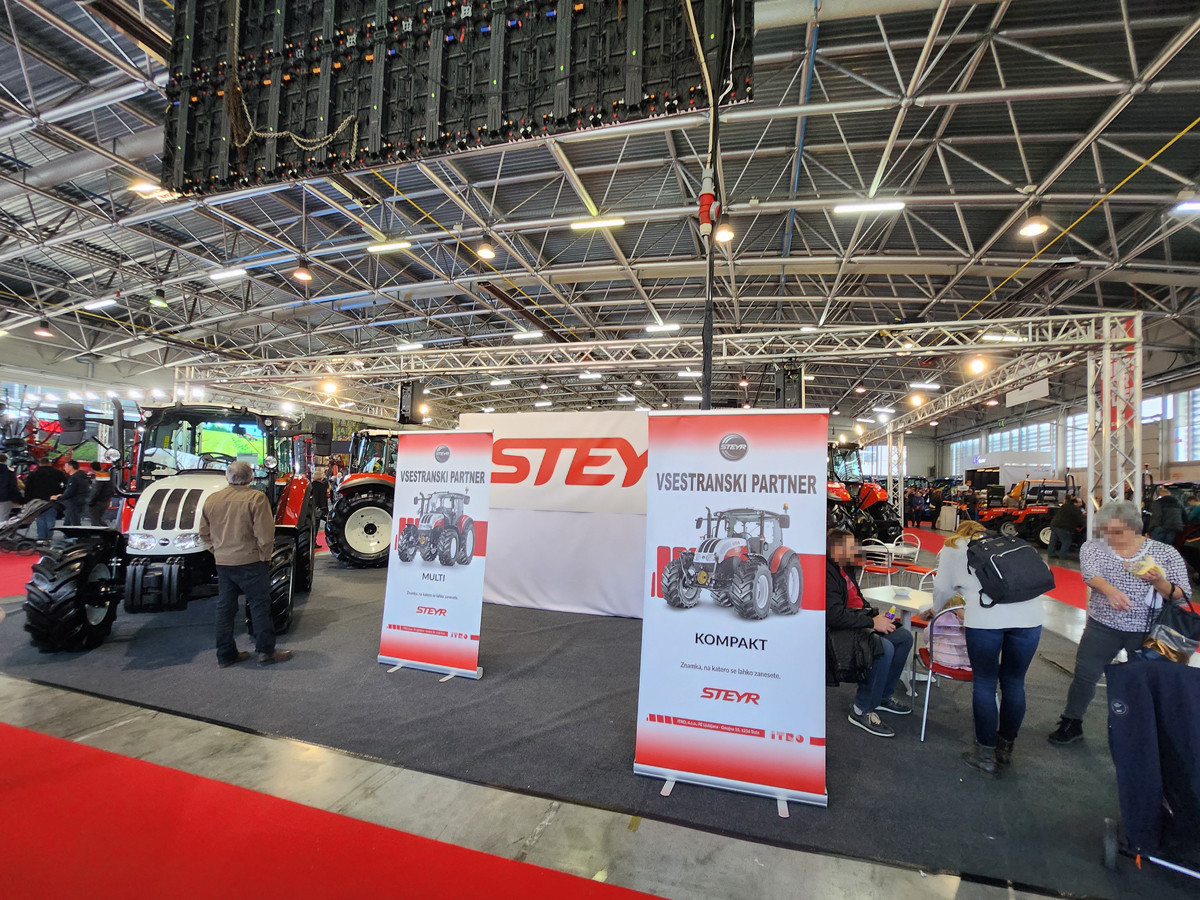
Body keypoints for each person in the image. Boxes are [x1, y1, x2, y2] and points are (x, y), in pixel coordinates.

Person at [1048, 500, 1191, 745]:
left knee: (1145, 682)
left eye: (1117, 531)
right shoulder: (1094, 547)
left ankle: (1147, 731)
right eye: (1105, 530)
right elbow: (1091, 575)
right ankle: (1072, 721)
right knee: (1085, 675)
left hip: (1148, 631)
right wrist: (1109, 590)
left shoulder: (1165, 553)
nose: (1110, 536)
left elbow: (1181, 594)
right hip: (1102, 625)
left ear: (1135, 527)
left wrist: (1159, 582)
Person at [932, 521, 1046, 776]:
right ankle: (1005, 749)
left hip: (985, 618)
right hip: (1030, 617)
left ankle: (985, 754)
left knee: (985, 683)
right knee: (1014, 683)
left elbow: (942, 588)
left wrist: (937, 609)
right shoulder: (1009, 543)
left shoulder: (953, 547)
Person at [199, 461, 292, 667]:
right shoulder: (256, 498)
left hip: (223, 562)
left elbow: (204, 533)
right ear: (251, 478)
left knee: (225, 608)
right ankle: (265, 652)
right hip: (251, 561)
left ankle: (225, 654)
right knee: (259, 606)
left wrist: (217, 551)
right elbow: (265, 534)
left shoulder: (212, 499)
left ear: (227, 477)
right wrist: (265, 556)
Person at [826, 528, 913, 738]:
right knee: (883, 647)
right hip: (838, 629)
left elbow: (857, 599)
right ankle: (861, 709)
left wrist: (874, 615)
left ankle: (883, 696)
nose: (856, 550)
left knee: (904, 637)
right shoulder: (826, 573)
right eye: (851, 547)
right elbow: (834, 616)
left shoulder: (846, 567)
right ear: (836, 549)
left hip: (857, 620)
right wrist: (872, 622)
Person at [23, 460, 66, 540]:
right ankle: (49, 537)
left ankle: (41, 537)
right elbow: (65, 485)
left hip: (37, 501)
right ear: (49, 464)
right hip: (53, 500)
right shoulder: (58, 473)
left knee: (40, 518)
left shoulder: (33, 474)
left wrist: (27, 501)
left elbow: (28, 489)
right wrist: (60, 494)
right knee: (50, 518)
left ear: (40, 464)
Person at [1047, 495, 1085, 560]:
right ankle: (1063, 555)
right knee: (1067, 541)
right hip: (1062, 526)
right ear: (1075, 502)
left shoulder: (1065, 506)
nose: (1081, 504)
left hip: (1054, 524)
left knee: (1053, 540)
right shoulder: (1075, 509)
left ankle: (1051, 553)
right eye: (1080, 502)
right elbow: (1080, 519)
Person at [54, 459, 90, 527]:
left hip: (73, 503)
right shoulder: (83, 477)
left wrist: (58, 497)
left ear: (71, 467)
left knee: (74, 522)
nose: (64, 468)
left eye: (65, 466)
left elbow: (70, 492)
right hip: (80, 501)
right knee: (69, 522)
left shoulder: (74, 479)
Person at [86, 462, 113, 526]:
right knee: (99, 520)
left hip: (97, 502)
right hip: (105, 500)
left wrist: (90, 501)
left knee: (95, 521)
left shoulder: (100, 477)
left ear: (92, 469)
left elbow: (95, 491)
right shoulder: (107, 475)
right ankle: (106, 529)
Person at [0, 453, 21, 522]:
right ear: (6, 461)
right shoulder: (9, 473)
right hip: (5, 498)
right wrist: (18, 498)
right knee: (3, 519)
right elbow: (13, 487)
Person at [311, 467, 329, 531]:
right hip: (318, 509)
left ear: (313, 478)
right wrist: (325, 509)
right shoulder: (322, 487)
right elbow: (323, 499)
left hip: (310, 508)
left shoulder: (309, 486)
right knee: (316, 525)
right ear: (321, 478)